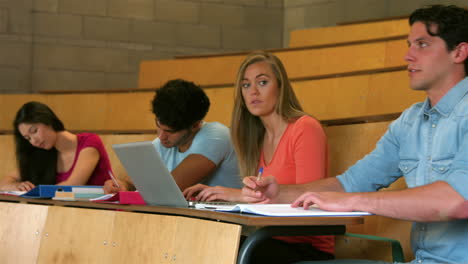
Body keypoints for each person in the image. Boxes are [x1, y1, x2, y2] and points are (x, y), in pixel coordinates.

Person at [243, 5, 468, 264]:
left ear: (459, 52)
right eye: (409, 44)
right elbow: (350, 182)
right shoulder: (410, 121)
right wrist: (279, 193)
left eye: (422, 44)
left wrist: (353, 201)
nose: (408, 55)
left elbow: (458, 200)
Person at [183, 51, 334, 263]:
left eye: (262, 82)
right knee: (201, 240)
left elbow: (309, 200)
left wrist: (233, 195)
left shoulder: (305, 128)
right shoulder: (257, 138)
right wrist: (221, 193)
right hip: (268, 239)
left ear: (280, 87)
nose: (253, 91)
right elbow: (263, 195)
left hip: (306, 249)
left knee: (223, 251)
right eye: (246, 85)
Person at [104, 79, 241, 193]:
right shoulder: (164, 142)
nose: (162, 136)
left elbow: (168, 190)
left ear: (195, 125)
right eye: (158, 125)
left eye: (171, 131)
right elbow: (135, 181)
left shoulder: (216, 136)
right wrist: (123, 185)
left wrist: (134, 185)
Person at [0, 101, 112, 191]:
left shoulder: (89, 142)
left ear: (47, 120)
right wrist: (16, 186)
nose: (33, 141)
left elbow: (73, 186)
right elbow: (4, 183)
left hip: (108, 214)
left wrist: (35, 191)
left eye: (34, 131)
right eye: (27, 138)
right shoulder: (44, 154)